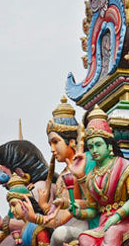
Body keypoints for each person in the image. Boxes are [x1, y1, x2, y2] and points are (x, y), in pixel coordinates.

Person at [75, 107, 129, 246]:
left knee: (112, 233)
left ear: (109, 146)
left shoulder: (124, 166)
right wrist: (78, 213)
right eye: (91, 147)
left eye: (98, 145)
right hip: (104, 223)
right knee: (84, 238)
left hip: (125, 219)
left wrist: (118, 215)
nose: (94, 150)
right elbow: (93, 210)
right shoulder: (91, 176)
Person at [0, 139, 53, 243]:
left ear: (19, 172)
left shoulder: (39, 188)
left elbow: (44, 221)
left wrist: (1, 223)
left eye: (2, 175)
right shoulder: (18, 198)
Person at [45, 97, 90, 244]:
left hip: (81, 225)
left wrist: (36, 214)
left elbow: (65, 215)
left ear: (71, 141)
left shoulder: (80, 166)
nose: (52, 149)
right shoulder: (65, 172)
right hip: (69, 225)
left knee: (58, 234)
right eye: (50, 144)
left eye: (55, 142)